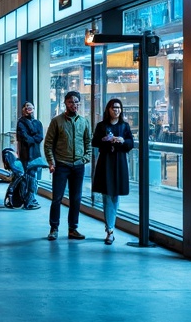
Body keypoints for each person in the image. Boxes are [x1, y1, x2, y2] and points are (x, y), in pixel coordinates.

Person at [43, 91, 92, 241]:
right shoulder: (57, 121)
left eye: (77, 102)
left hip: (78, 166)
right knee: (57, 198)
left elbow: (88, 142)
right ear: (65, 103)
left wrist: (86, 158)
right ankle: (54, 228)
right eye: (71, 102)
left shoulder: (84, 122)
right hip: (61, 165)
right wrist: (52, 162)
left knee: (76, 198)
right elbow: (48, 144)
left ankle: (73, 229)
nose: (74, 105)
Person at [91, 99, 134, 245]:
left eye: (119, 107)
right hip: (106, 163)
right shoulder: (101, 126)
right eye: (113, 107)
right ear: (108, 109)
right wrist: (105, 140)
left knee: (115, 195)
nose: (116, 110)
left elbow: (131, 144)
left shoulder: (125, 126)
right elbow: (95, 142)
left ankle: (110, 227)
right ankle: (110, 230)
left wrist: (122, 140)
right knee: (107, 194)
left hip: (120, 163)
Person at [15, 101, 44, 211]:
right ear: (23, 110)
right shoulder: (21, 122)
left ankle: (29, 198)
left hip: (35, 154)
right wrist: (33, 139)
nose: (29, 108)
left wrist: (32, 139)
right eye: (26, 107)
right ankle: (28, 200)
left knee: (33, 176)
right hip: (25, 154)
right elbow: (24, 137)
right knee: (29, 177)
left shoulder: (38, 123)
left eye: (31, 106)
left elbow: (40, 137)